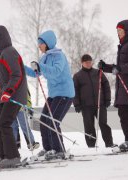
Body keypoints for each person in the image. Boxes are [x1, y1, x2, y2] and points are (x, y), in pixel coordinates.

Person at [24, 30, 75, 158]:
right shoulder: (45, 58)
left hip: (64, 93)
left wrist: (41, 67)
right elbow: (36, 73)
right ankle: (48, 149)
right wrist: (21, 67)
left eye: (41, 44)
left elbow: (56, 71)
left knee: (52, 122)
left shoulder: (59, 56)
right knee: (44, 121)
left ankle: (59, 150)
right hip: (53, 95)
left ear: (47, 43)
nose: (39, 46)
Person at [98, 20, 128, 148]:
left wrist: (120, 69)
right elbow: (118, 68)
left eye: (120, 31)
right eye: (117, 31)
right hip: (122, 86)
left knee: (124, 113)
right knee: (127, 113)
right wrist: (105, 67)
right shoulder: (123, 47)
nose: (118, 33)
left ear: (127, 32)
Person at [0, 25, 28, 169]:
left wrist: (8, 91)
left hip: (14, 96)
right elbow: (6, 79)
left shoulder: (9, 52)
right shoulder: (3, 54)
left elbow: (17, 75)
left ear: (1, 38)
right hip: (7, 96)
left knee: (4, 123)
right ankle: (4, 156)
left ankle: (13, 157)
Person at [73, 54, 115, 148]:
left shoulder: (98, 73)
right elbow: (74, 91)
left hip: (100, 104)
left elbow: (106, 85)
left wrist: (107, 99)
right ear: (82, 63)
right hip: (86, 106)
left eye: (89, 62)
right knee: (89, 126)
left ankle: (109, 144)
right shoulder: (77, 76)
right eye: (86, 62)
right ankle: (91, 146)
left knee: (103, 123)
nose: (88, 64)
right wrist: (77, 104)